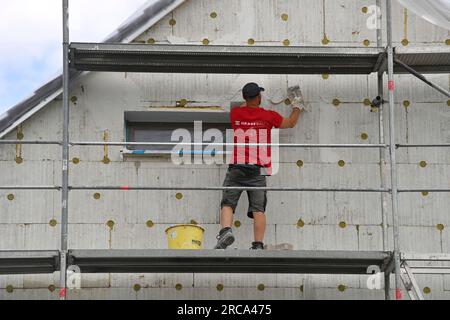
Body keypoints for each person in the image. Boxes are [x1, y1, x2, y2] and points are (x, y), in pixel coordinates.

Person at [215, 82, 305, 250]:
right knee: (258, 209)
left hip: (237, 167)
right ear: (259, 97)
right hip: (257, 170)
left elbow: (244, 106)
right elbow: (290, 123)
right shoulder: (268, 116)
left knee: (228, 203)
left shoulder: (236, 114)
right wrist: (297, 107)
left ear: (244, 98)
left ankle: (226, 231)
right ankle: (257, 244)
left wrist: (248, 103)